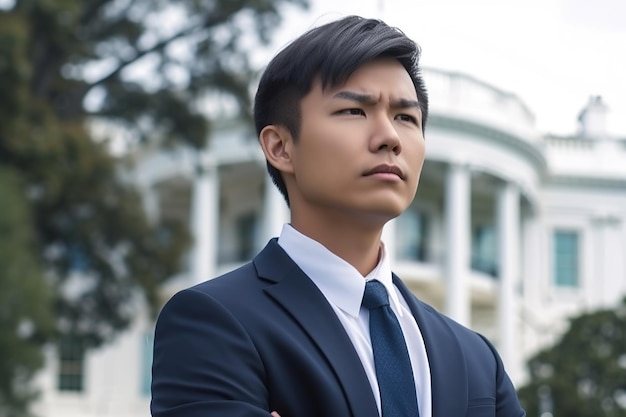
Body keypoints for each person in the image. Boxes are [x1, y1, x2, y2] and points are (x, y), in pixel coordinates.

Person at [151, 15, 526, 417]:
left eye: (406, 117)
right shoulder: (212, 323)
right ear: (280, 146)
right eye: (354, 111)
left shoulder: (475, 360)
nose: (390, 138)